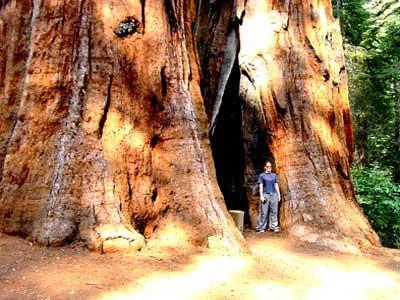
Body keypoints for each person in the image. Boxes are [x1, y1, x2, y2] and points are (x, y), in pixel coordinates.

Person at [256, 162, 281, 233]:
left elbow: (276, 185)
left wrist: (278, 194)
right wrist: (261, 196)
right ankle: (261, 227)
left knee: (274, 211)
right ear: (265, 167)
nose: (269, 168)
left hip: (274, 194)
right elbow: (260, 185)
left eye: (270, 166)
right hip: (265, 194)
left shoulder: (274, 175)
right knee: (264, 211)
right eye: (268, 166)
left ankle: (274, 226)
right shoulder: (262, 175)